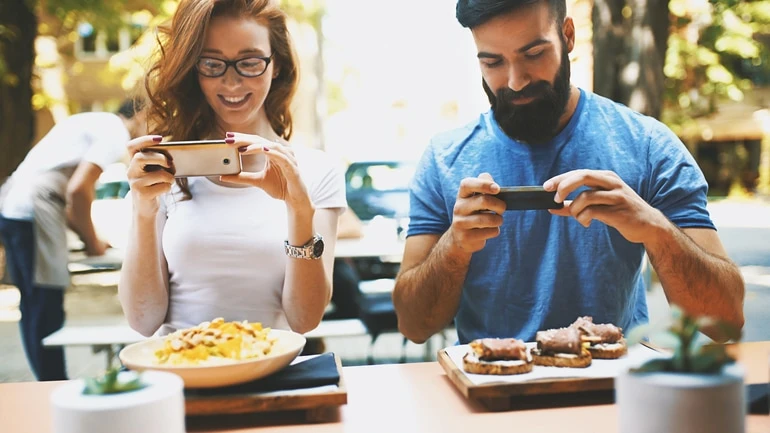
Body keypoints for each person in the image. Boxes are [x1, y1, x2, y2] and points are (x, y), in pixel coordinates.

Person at [392, 0, 745, 345]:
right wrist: (454, 246)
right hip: (493, 390)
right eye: (493, 62)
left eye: (533, 54)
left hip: (613, 392)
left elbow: (725, 321)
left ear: (568, 36)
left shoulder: (646, 145)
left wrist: (654, 229)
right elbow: (413, 325)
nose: (515, 81)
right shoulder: (444, 159)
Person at [118, 0, 346, 337]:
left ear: (277, 64)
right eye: (212, 64)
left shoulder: (316, 170)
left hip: (273, 373)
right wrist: (143, 209)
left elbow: (305, 320)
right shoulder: (165, 169)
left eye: (250, 62)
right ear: (194, 69)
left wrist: (299, 209)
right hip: (183, 371)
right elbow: (143, 321)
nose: (232, 82)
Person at [0, 100, 146, 380]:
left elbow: (68, 200)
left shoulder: (93, 121)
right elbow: (78, 191)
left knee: (32, 304)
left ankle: (47, 381)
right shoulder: (115, 131)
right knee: (46, 305)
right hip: (33, 209)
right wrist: (93, 245)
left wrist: (91, 238)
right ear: (140, 114)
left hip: (13, 207)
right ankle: (52, 383)